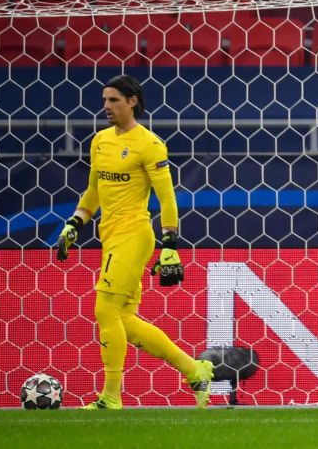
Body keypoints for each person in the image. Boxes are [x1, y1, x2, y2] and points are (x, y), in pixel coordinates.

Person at [55, 74, 213, 410]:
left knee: (104, 309)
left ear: (133, 102)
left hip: (135, 234)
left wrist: (170, 242)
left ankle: (111, 396)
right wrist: (75, 222)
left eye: (114, 100)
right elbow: (94, 190)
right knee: (124, 318)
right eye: (104, 100)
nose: (107, 107)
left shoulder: (149, 144)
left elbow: (166, 197)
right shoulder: (99, 141)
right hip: (108, 235)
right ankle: (194, 369)